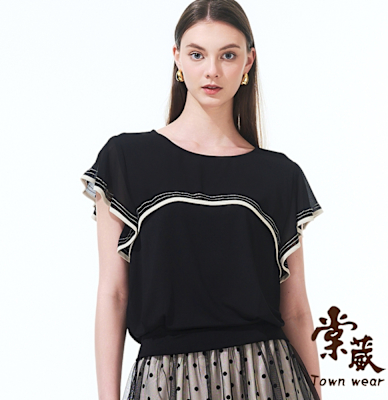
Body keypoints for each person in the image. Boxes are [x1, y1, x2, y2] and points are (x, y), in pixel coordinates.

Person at [80, 1, 324, 399]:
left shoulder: (279, 176)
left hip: (267, 375)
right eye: (197, 55)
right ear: (177, 58)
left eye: (228, 55)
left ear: (248, 62)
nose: (212, 70)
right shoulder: (126, 160)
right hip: (166, 380)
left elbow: (295, 310)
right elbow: (114, 294)